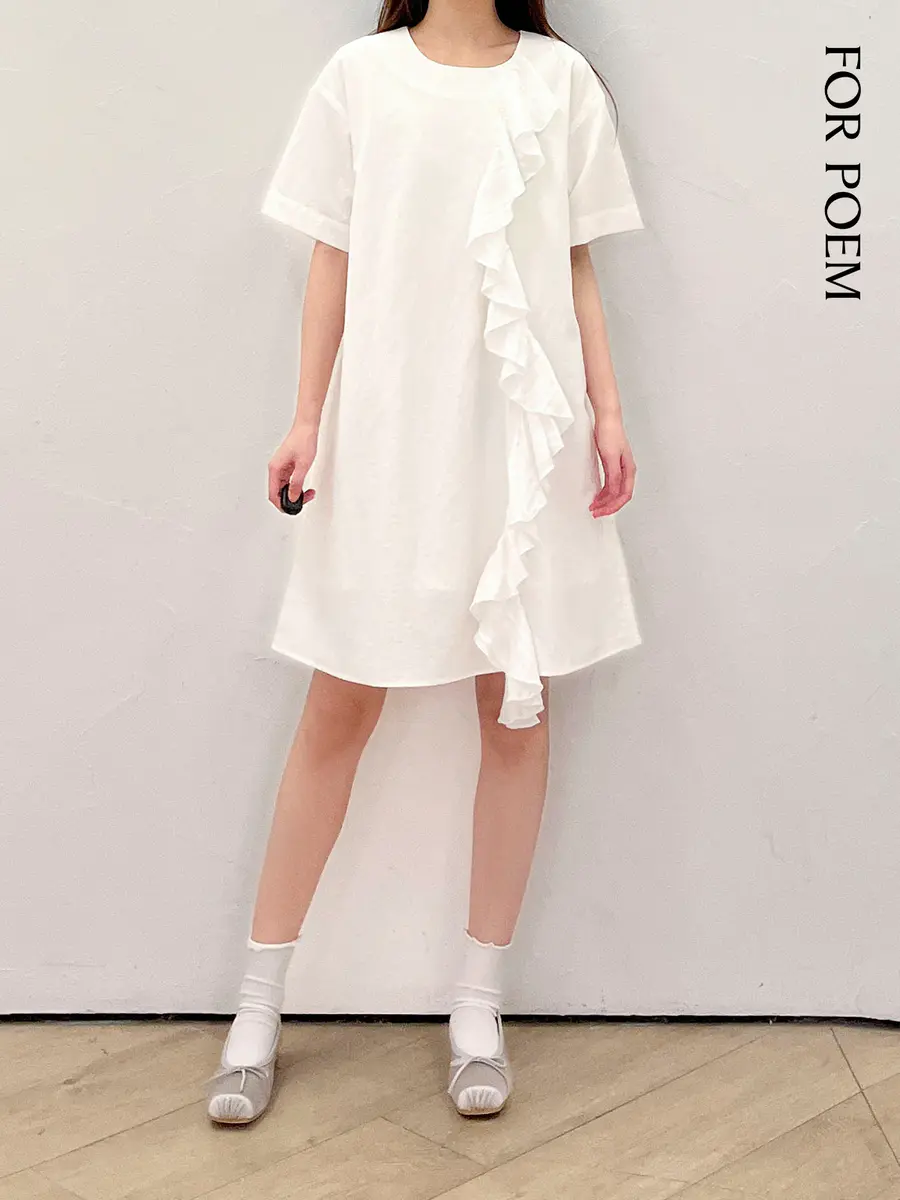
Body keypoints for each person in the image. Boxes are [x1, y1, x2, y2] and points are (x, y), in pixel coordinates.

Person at [207, 0, 645, 1124]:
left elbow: (576, 261)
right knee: (339, 698)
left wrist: (606, 408)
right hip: (392, 430)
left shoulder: (560, 81)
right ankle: (257, 1007)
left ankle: (477, 1006)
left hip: (520, 434)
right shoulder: (361, 78)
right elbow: (333, 254)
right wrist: (307, 417)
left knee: (515, 705)